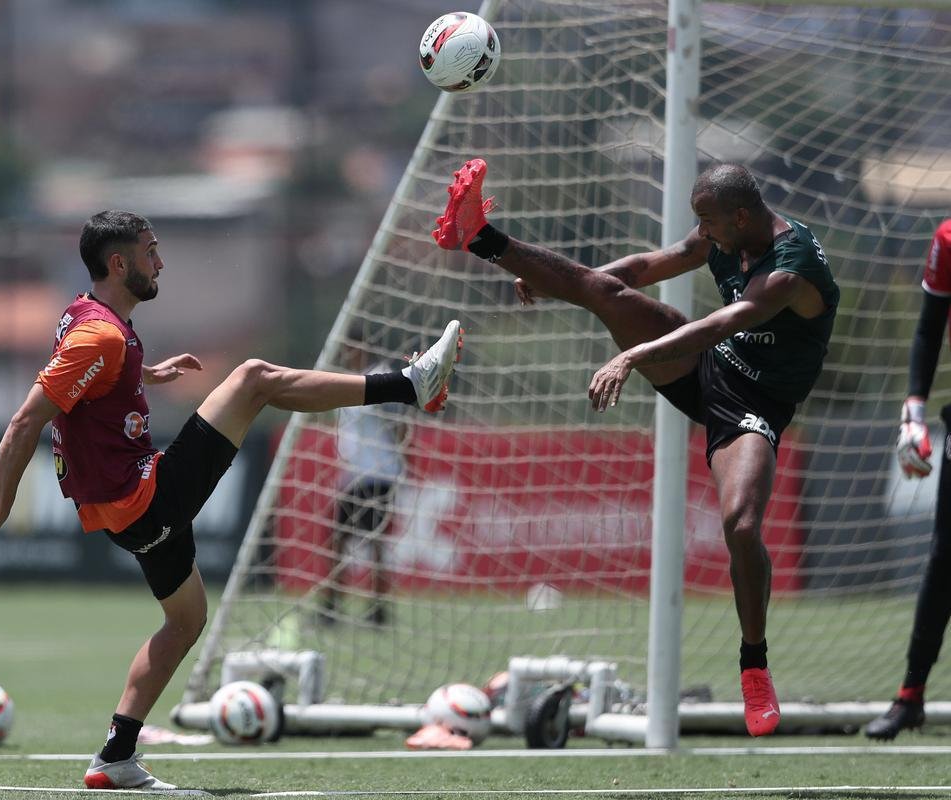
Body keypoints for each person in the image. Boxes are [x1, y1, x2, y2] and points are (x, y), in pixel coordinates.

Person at [0, 210, 463, 791]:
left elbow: (91, 377)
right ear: (119, 263)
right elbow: (25, 421)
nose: (161, 261)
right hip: (143, 498)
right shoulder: (96, 334)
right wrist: (0, 509)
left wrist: (142, 372)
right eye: (151, 251)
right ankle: (409, 384)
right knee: (254, 379)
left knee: (186, 620)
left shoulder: (88, 319)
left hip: (128, 512)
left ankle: (116, 755)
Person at [432, 159, 839, 737]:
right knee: (605, 291)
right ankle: (479, 237)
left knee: (742, 526)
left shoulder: (789, 270)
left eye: (709, 222)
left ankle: (754, 665)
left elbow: (724, 323)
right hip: (707, 364)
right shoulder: (723, 227)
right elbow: (651, 265)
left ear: (741, 216)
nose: (703, 232)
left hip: (755, 403)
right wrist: (567, 282)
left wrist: (631, 357)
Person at [865, 217, 951, 740]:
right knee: (944, 559)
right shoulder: (948, 238)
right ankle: (910, 696)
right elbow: (927, 328)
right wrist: (913, 412)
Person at [318, 336, 408, 627]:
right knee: (337, 541)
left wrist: (396, 456)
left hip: (378, 475)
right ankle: (331, 608)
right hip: (352, 477)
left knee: (375, 544)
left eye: (354, 348)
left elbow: (401, 426)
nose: (349, 354)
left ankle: (379, 611)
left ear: (364, 349)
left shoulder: (380, 377)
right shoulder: (345, 380)